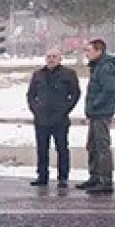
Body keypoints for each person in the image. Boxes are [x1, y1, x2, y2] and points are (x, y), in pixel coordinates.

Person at [25, 47, 80, 188]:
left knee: (62, 148)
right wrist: (35, 109)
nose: (51, 59)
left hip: (60, 118)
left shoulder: (68, 74)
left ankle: (63, 177)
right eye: (49, 56)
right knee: (42, 148)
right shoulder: (38, 75)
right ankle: (42, 176)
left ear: (60, 59)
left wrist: (65, 109)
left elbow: (75, 94)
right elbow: (31, 95)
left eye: (54, 56)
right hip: (41, 118)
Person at [77, 38, 115, 194]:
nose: (86, 54)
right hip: (95, 113)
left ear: (98, 51)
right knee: (92, 146)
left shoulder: (105, 67)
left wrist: (95, 104)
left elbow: (108, 90)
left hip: (101, 112)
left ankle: (105, 180)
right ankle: (94, 176)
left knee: (102, 146)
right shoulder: (97, 67)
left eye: (89, 50)